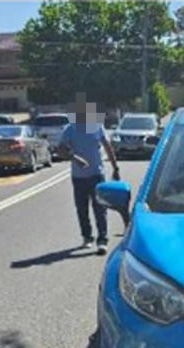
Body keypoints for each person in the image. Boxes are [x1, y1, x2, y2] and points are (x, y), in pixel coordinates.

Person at [58, 98, 121, 255]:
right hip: (78, 177)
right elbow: (61, 150)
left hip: (97, 175)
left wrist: (115, 167)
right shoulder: (70, 129)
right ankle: (87, 237)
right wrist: (75, 158)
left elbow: (107, 147)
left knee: (100, 208)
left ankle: (102, 241)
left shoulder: (97, 127)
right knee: (82, 209)